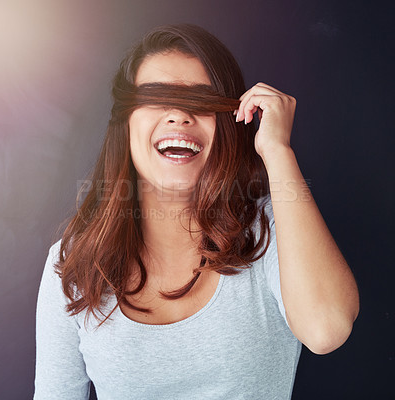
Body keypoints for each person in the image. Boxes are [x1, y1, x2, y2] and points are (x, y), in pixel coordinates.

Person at [34, 23, 359, 400]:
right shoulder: (72, 262)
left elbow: (327, 330)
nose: (180, 116)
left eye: (202, 102)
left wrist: (277, 151)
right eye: (158, 98)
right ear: (126, 122)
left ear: (230, 120)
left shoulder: (271, 232)